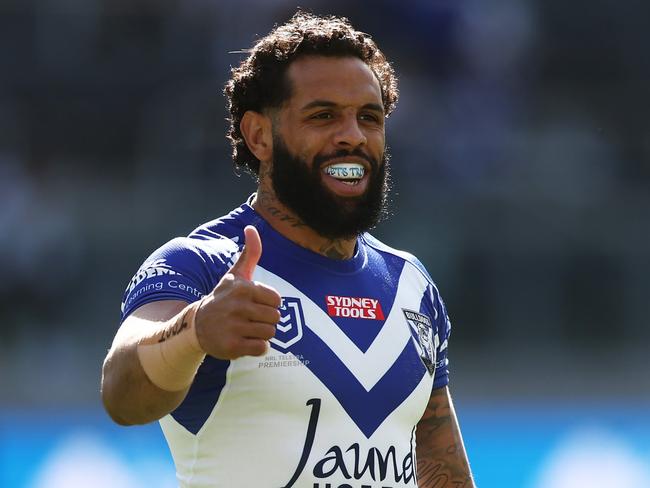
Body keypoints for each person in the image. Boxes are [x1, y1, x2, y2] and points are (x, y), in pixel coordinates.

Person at [101, 11, 476, 488]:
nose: (353, 136)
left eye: (369, 118)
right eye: (323, 116)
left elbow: (443, 471)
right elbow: (121, 392)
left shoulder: (410, 282)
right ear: (259, 136)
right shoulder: (203, 264)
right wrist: (196, 330)